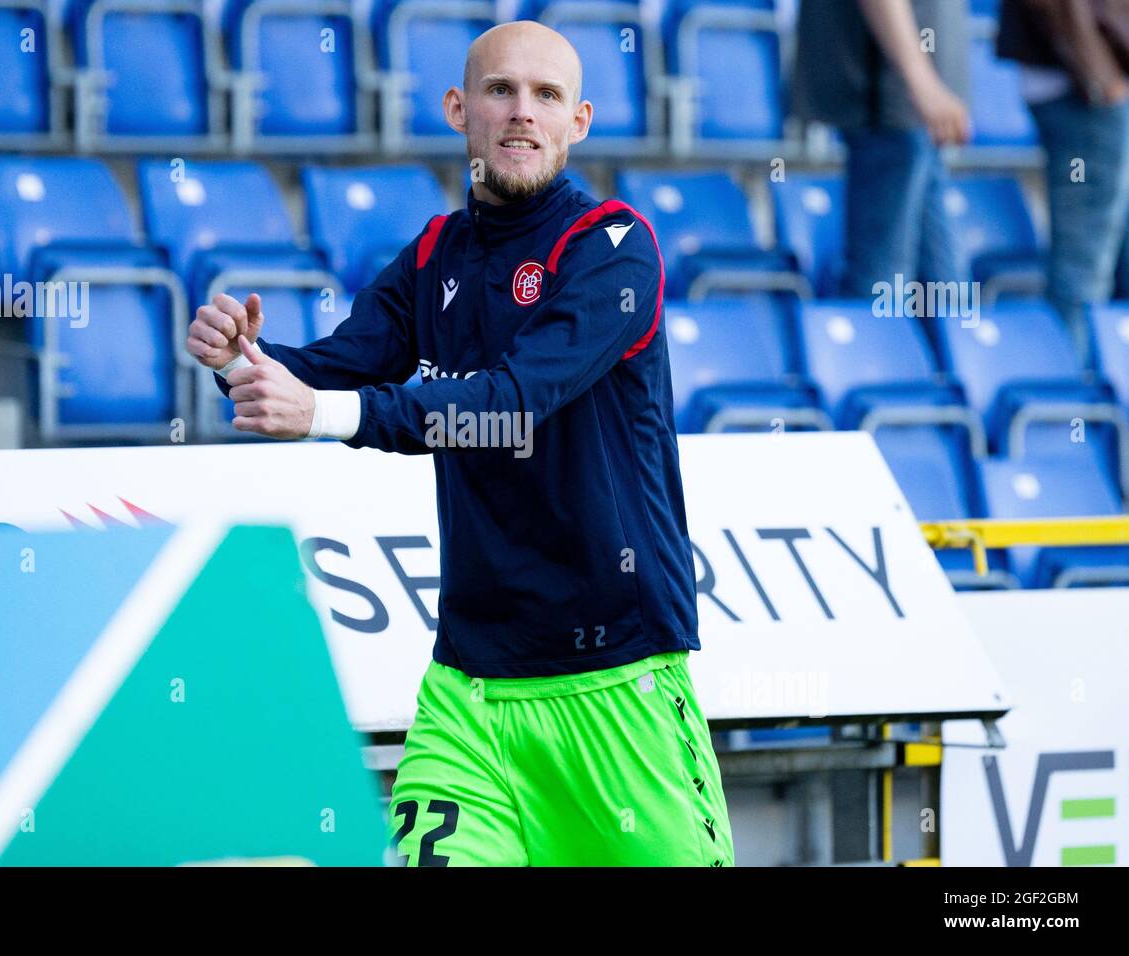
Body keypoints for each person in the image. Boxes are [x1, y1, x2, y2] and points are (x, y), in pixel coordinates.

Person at [185, 20, 733, 866]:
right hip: (469, 696)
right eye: (500, 90)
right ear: (458, 108)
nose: (522, 112)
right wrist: (243, 362)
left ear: (578, 121)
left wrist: (327, 415)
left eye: (546, 96)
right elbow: (332, 368)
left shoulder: (615, 249)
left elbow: (510, 407)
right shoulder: (437, 253)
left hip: (618, 683)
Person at [793, 0, 971, 299]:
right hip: (891, 102)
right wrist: (921, 82)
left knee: (944, 292)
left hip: (911, 111)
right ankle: (870, 344)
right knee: (883, 286)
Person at [998, 0, 1129, 360]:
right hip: (1081, 86)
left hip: (1083, 80)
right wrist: (1098, 72)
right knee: (1082, 268)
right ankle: (1071, 399)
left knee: (1096, 262)